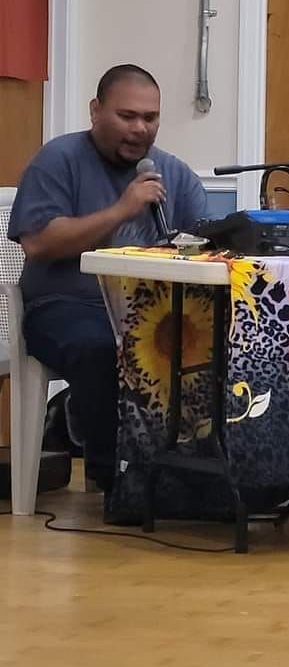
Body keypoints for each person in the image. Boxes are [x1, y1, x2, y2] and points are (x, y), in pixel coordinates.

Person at [7, 64, 207, 491]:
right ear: (96, 111)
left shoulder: (172, 173)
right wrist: (121, 210)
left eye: (149, 118)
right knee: (106, 347)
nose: (139, 128)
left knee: (217, 343)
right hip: (64, 308)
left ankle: (196, 475)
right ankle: (116, 479)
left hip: (149, 310)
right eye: (127, 116)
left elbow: (210, 241)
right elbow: (39, 242)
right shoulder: (58, 159)